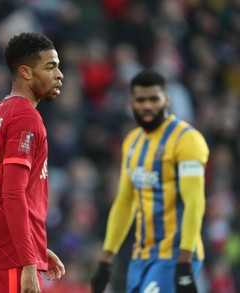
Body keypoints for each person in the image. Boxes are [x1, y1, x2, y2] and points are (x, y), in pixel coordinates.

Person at [90, 70, 209, 293]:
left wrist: (184, 261)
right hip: (141, 257)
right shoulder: (132, 142)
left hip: (175, 255)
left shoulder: (187, 140)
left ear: (166, 99)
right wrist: (106, 259)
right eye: (141, 100)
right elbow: (125, 203)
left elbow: (195, 202)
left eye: (154, 99)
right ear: (131, 102)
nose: (147, 106)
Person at [0, 32, 66, 292]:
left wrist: (36, 248)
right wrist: (28, 261)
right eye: (50, 67)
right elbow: (12, 192)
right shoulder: (25, 117)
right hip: (8, 254)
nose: (60, 74)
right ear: (26, 72)